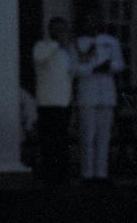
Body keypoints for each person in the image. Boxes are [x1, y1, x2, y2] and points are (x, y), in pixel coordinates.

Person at [75, 14, 126, 183]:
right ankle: (87, 174)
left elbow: (120, 64)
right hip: (87, 93)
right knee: (88, 135)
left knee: (104, 135)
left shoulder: (110, 41)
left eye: (94, 21)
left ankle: (101, 174)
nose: (92, 24)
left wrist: (109, 67)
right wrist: (93, 68)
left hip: (106, 93)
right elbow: (75, 69)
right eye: (88, 21)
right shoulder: (78, 42)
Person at [32, 16, 75, 183]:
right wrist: (58, 43)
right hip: (47, 102)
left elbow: (73, 72)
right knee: (49, 141)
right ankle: (49, 176)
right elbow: (39, 58)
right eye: (58, 29)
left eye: (64, 29)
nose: (62, 32)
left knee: (62, 141)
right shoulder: (42, 46)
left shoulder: (67, 51)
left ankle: (61, 176)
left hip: (64, 102)